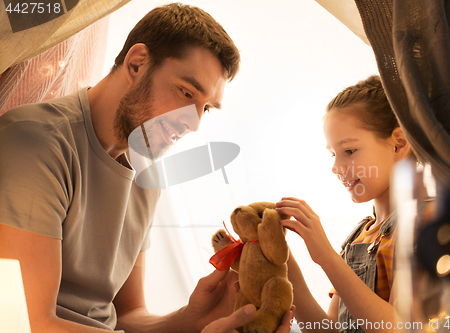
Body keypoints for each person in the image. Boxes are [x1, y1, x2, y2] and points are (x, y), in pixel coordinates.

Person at [0, 3, 292, 333]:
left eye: (205, 108)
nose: (193, 124)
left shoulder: (146, 176)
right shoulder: (33, 142)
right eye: (186, 92)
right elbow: (26, 323)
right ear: (137, 63)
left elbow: (127, 316)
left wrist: (194, 318)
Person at [276, 75, 413, 333]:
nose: (336, 168)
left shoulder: (426, 223)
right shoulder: (360, 237)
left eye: (349, 151)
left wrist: (327, 257)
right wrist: (283, 264)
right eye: (333, 154)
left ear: (399, 143)